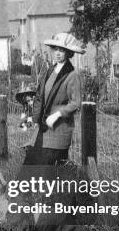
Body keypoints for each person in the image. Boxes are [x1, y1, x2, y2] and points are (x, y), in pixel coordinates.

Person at [25, 33, 84, 166]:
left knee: (50, 170)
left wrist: (57, 115)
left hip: (59, 130)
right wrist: (36, 118)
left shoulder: (72, 75)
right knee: (31, 165)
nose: (58, 53)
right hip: (43, 128)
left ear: (69, 53)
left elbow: (75, 102)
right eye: (56, 49)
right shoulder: (50, 70)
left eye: (62, 50)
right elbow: (41, 95)